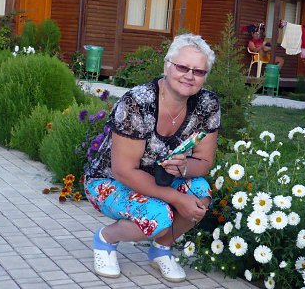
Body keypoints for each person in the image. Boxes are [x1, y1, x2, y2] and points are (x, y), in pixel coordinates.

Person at [84, 33, 220, 282]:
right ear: (167, 66)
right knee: (159, 217)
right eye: (182, 67)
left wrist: (184, 167)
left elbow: (204, 162)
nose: (189, 76)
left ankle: (161, 248)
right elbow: (123, 171)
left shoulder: (207, 104)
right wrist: (177, 198)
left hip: (161, 178)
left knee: (200, 194)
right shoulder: (138, 102)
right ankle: (106, 239)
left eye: (199, 71)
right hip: (110, 180)